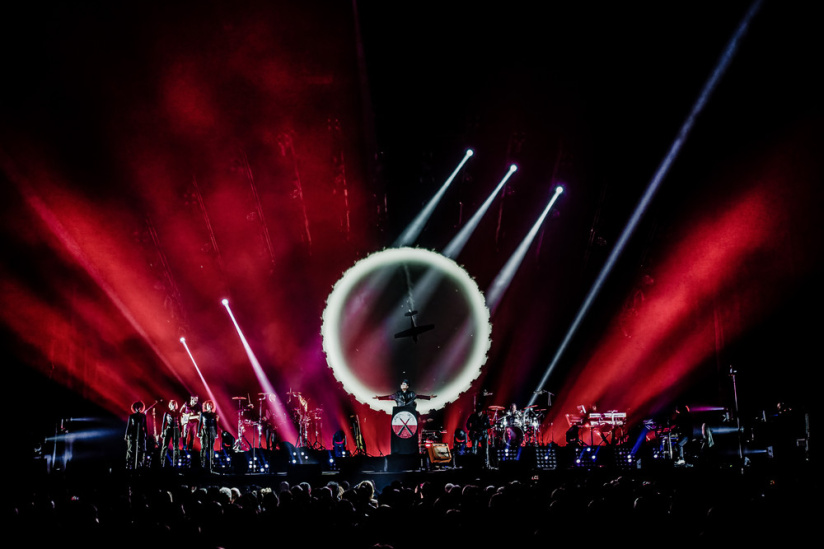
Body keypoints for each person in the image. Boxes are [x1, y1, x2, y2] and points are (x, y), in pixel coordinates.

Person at [124, 401, 147, 469]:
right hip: (132, 433)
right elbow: (128, 426)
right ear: (134, 408)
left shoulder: (143, 416)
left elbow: (145, 426)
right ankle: (129, 464)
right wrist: (126, 435)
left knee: (140, 449)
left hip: (140, 433)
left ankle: (139, 464)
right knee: (130, 449)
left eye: (139, 407)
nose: (138, 408)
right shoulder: (131, 416)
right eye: (137, 407)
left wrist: (146, 434)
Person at [159, 399, 181, 467]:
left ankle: (175, 463)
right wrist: (162, 432)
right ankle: (162, 462)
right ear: (170, 405)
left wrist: (181, 431)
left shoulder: (178, 413)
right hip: (168, 429)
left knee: (176, 447)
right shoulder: (167, 412)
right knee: (165, 446)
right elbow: (163, 423)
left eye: (174, 404)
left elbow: (180, 423)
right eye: (172, 404)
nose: (173, 405)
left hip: (176, 429)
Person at [199, 400, 219, 470]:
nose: (209, 406)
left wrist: (216, 433)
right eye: (208, 405)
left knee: (211, 447)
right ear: (206, 406)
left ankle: (211, 462)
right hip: (204, 429)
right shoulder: (203, 414)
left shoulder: (214, 414)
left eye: (210, 405)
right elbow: (200, 423)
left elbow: (215, 424)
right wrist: (198, 432)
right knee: (203, 446)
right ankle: (202, 461)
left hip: (212, 430)